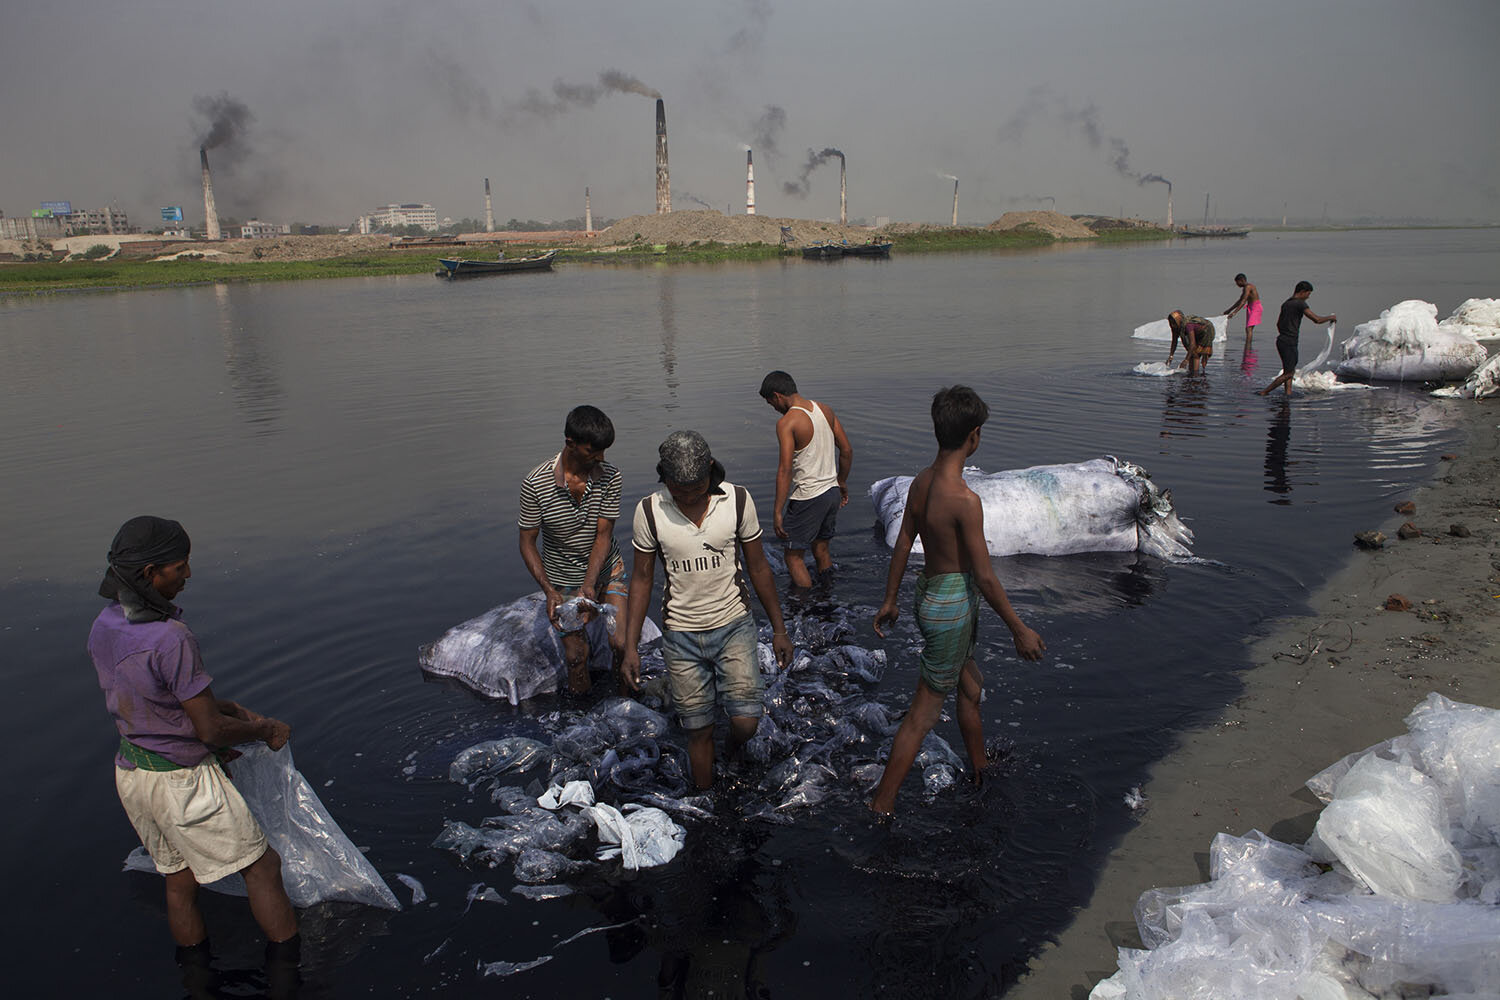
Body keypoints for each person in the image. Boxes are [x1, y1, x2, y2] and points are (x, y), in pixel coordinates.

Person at [87, 516, 300, 979]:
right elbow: (210, 733)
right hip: (183, 783)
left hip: (134, 774)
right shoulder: (171, 637)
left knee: (179, 880)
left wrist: (222, 705)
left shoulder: (104, 625)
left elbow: (151, 697)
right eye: (179, 567)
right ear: (150, 573)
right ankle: (288, 974)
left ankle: (197, 981)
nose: (187, 575)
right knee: (262, 869)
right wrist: (264, 729)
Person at [870, 388, 1045, 815]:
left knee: (970, 686)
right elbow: (984, 575)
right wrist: (1019, 629)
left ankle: (980, 767)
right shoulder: (966, 501)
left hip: (930, 595)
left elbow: (904, 543)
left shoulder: (921, 484)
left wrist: (891, 598)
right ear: (975, 436)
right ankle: (882, 805)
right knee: (922, 716)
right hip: (953, 604)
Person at [619, 431, 794, 790]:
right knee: (697, 729)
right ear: (665, 478)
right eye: (679, 490)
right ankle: (706, 800)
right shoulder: (650, 511)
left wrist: (779, 629)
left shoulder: (737, 501)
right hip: (680, 635)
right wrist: (631, 646)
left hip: (733, 625)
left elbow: (759, 568)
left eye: (697, 488)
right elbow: (640, 579)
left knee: (746, 721)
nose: (688, 497)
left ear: (711, 471)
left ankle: (731, 750)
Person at [518, 405, 628, 695]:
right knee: (576, 657)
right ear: (571, 443)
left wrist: (590, 584)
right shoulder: (535, 483)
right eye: (593, 452)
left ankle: (624, 702)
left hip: (606, 570)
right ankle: (583, 716)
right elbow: (527, 542)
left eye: (604, 451)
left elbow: (603, 536)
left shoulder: (610, 476)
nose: (600, 458)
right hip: (561, 577)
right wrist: (549, 590)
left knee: (620, 643)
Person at [757, 371, 854, 590]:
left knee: (793, 557)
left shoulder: (787, 423)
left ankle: (805, 605)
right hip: (831, 492)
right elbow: (847, 450)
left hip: (808, 496)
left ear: (777, 395)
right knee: (821, 549)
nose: (773, 408)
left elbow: (785, 470)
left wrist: (777, 512)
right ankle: (828, 597)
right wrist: (842, 482)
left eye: (770, 403)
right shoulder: (825, 410)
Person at [1258, 281, 1336, 396]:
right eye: (1308, 294)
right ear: (1302, 292)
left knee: (1289, 370)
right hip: (1290, 342)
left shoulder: (1286, 304)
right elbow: (1316, 320)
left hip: (1282, 340)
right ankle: (1265, 392)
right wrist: (1331, 317)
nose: (1308, 297)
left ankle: (1288, 394)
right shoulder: (1300, 304)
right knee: (1289, 373)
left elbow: (1278, 324)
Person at [1167, 310, 1216, 374]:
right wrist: (1171, 356)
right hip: (1196, 333)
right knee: (1192, 354)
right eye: (1171, 323)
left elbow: (1192, 344)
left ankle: (1195, 375)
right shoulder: (1176, 327)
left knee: (1196, 354)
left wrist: (1186, 360)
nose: (1172, 325)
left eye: (1174, 322)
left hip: (1206, 332)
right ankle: (1191, 373)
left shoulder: (1188, 326)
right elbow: (1174, 341)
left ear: (1178, 320)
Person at [1224, 272, 1262, 347]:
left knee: (1249, 328)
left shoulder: (1248, 287)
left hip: (1255, 308)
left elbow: (1243, 301)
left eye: (1237, 282)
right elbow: (1240, 300)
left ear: (1241, 280)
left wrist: (1234, 313)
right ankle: (1248, 345)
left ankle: (1248, 347)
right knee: (1248, 329)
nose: (1237, 284)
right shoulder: (1246, 288)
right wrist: (1229, 310)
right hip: (1251, 307)